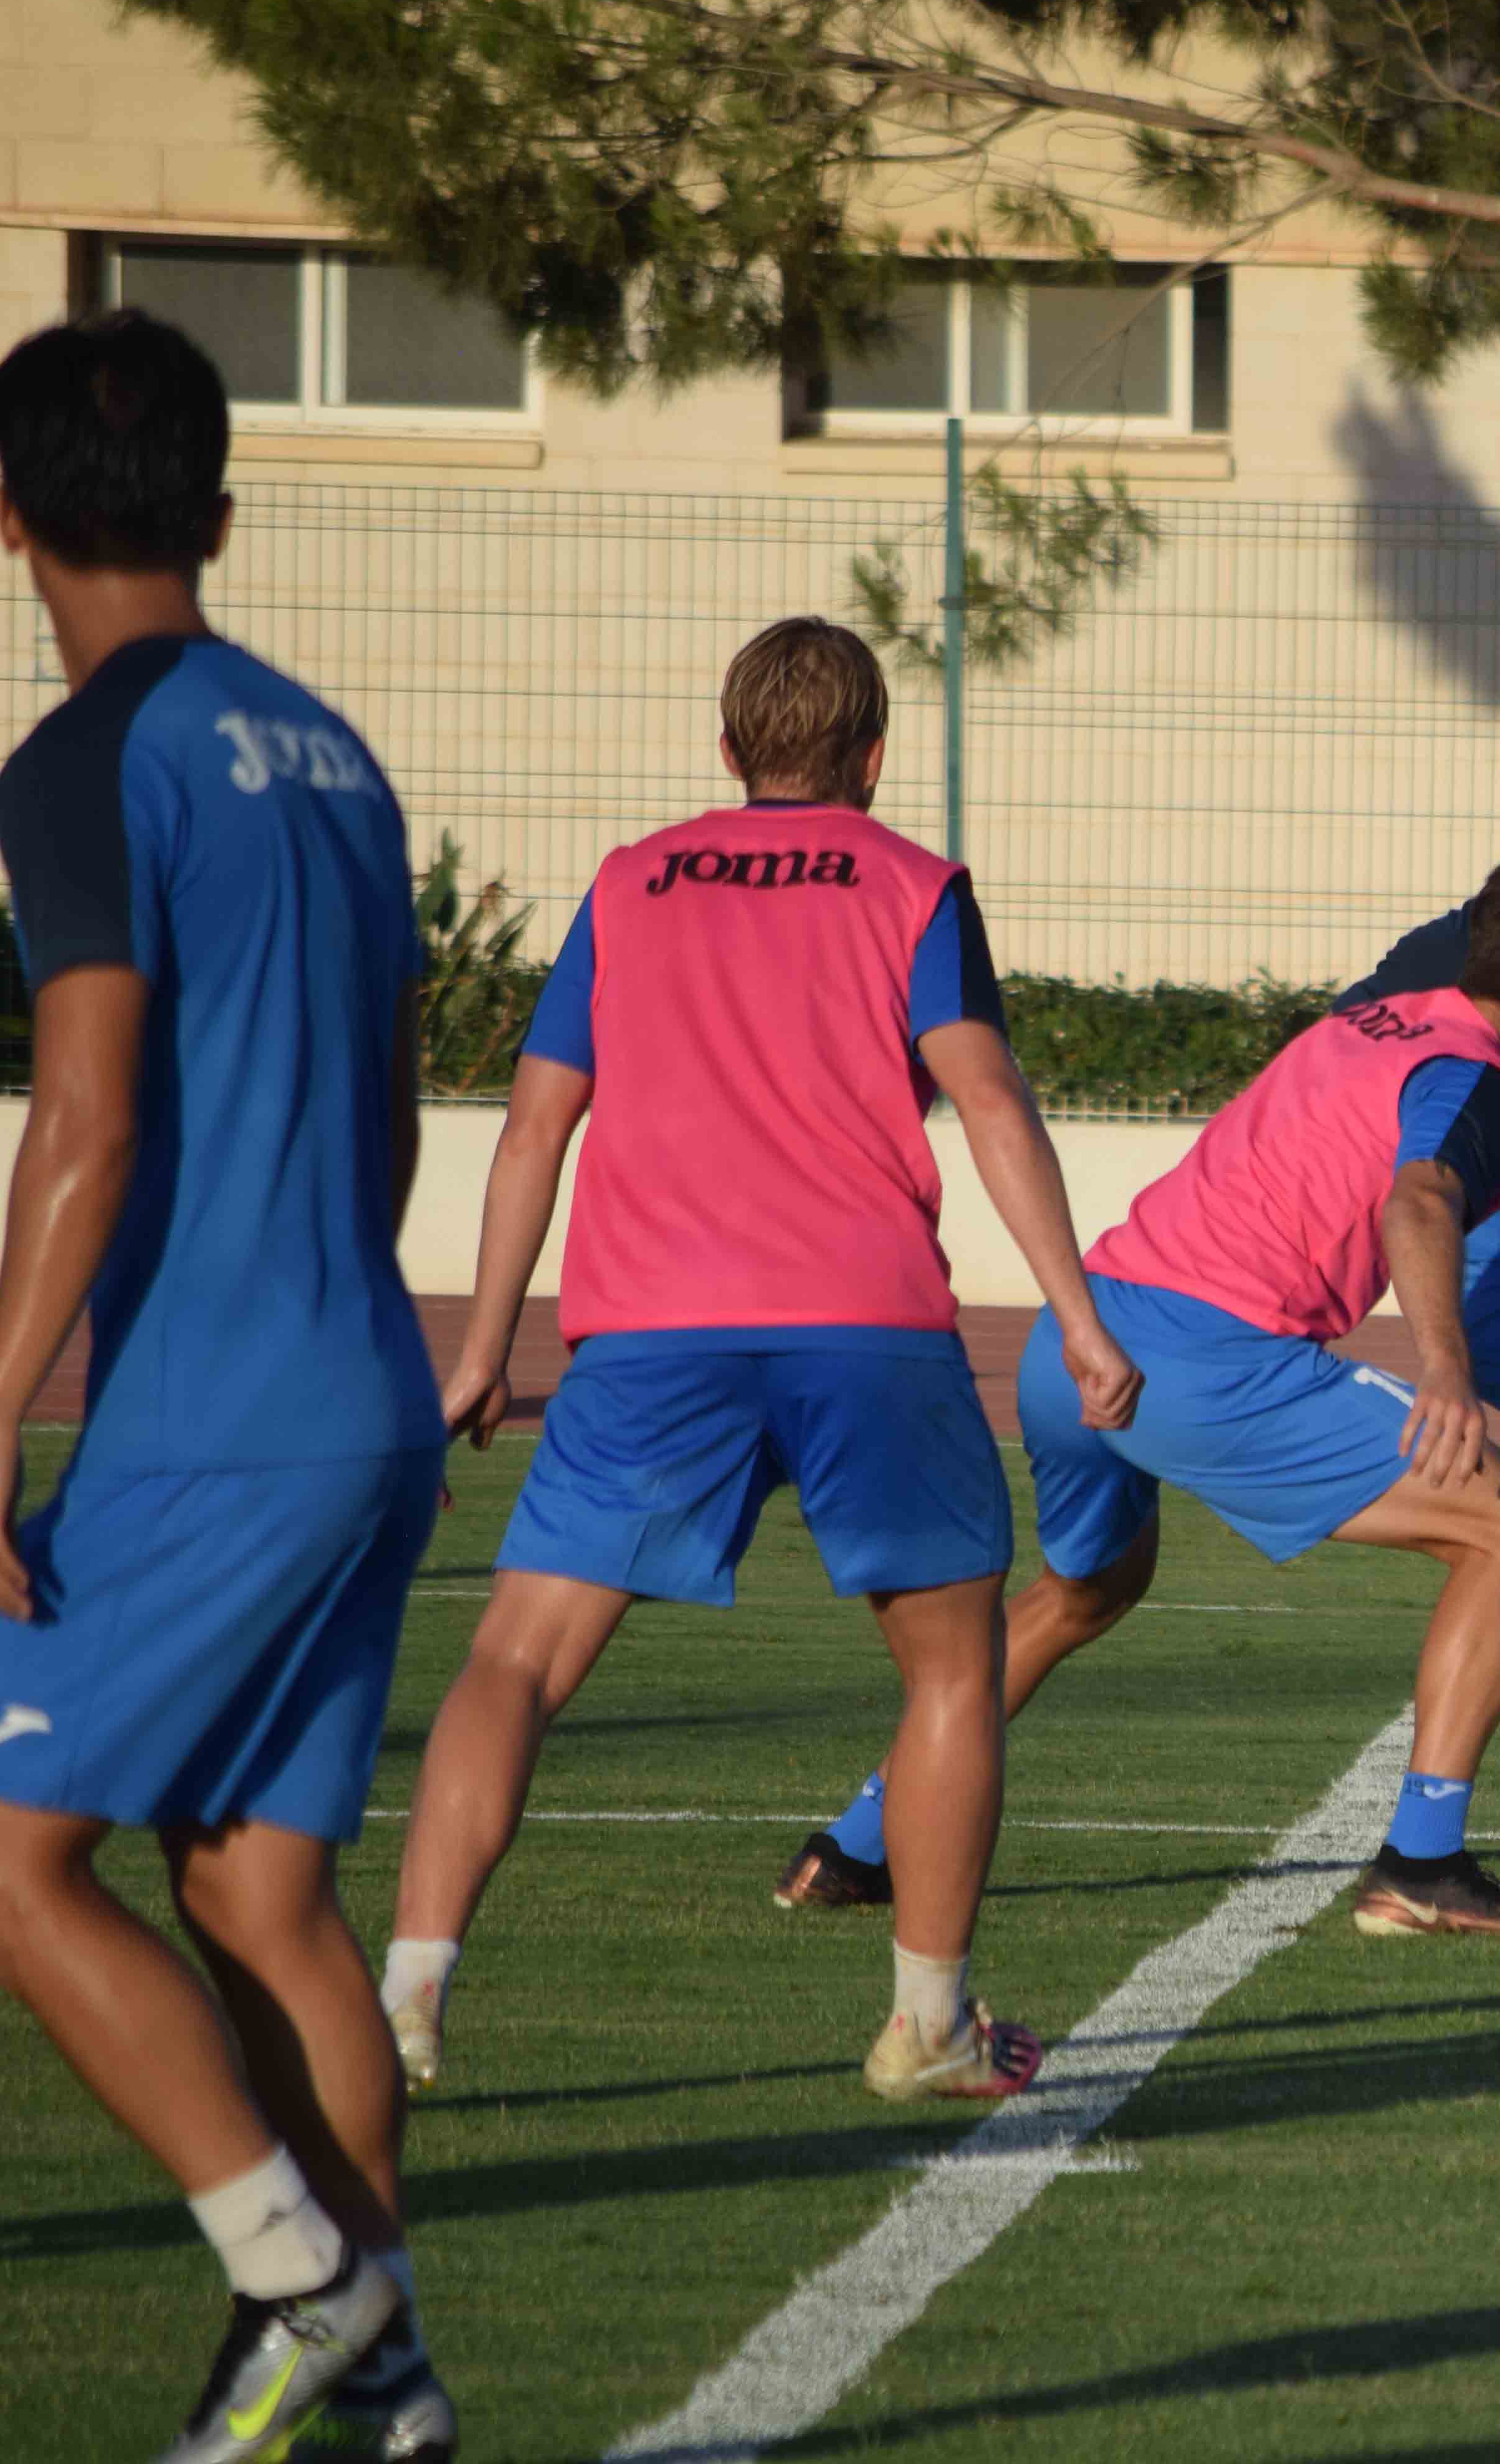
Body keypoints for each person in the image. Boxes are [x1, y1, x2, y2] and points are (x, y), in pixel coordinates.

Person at [776, 724, 1500, 1912]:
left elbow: (1382, 1124)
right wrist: (1443, 1366)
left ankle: (858, 1841)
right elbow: (1423, 1197)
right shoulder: (1481, 1080)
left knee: (1084, 1595)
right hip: (1216, 1354)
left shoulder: (1374, 1024)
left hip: (1085, 1330)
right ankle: (1429, 1862)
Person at [376, 616, 1139, 2110]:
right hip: (866, 1324)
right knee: (950, 1667)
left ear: (728, 754)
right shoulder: (914, 883)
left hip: (650, 1330)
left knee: (516, 1660)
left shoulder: (629, 880)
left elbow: (536, 1125)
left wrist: (481, 1349)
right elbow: (986, 1102)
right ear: (872, 756)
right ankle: (927, 2024)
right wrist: (1081, 1310)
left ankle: (406, 1993)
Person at [0, 312, 447, 2463]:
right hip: (365, 1380)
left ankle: (304, 2288)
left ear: (9, 526)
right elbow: (389, 1114)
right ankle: (402, 2387)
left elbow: (79, 1120)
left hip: (215, 1410)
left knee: (7, 1858)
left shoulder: (88, 755)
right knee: (259, 1894)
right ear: (224, 513)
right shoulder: (333, 748)